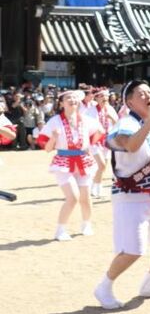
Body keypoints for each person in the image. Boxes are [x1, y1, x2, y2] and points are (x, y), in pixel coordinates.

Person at [94, 81, 150, 309]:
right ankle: (104, 285)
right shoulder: (126, 123)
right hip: (130, 196)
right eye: (142, 93)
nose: (148, 96)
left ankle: (149, 283)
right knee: (133, 250)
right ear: (129, 101)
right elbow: (130, 145)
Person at [36, 90, 103, 240]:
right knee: (73, 197)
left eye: (74, 98)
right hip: (63, 162)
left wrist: (89, 145)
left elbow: (100, 131)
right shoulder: (54, 121)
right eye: (68, 98)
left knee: (85, 198)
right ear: (61, 103)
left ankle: (86, 224)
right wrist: (53, 138)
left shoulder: (86, 119)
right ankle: (60, 230)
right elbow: (46, 148)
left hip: (84, 161)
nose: (72, 100)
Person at [87, 88, 119, 198]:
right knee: (101, 165)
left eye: (106, 96)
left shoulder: (110, 109)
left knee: (102, 166)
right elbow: (87, 126)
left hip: (107, 140)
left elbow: (118, 124)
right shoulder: (91, 111)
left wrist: (111, 118)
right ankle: (94, 186)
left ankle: (95, 186)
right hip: (95, 140)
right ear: (96, 98)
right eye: (101, 96)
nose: (105, 98)